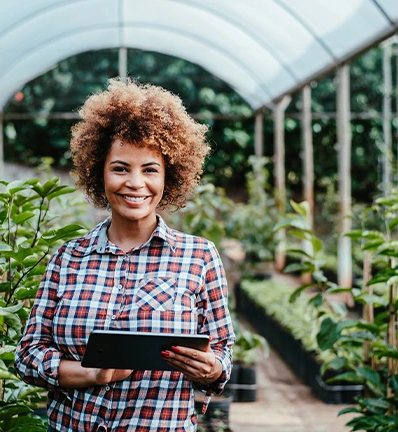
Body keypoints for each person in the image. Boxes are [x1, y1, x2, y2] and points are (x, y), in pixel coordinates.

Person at [15, 79, 234, 432]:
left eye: (150, 169)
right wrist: (90, 374)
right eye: (120, 168)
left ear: (169, 176)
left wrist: (212, 369)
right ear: (98, 172)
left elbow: (222, 353)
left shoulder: (198, 257)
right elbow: (28, 354)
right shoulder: (68, 258)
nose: (135, 183)